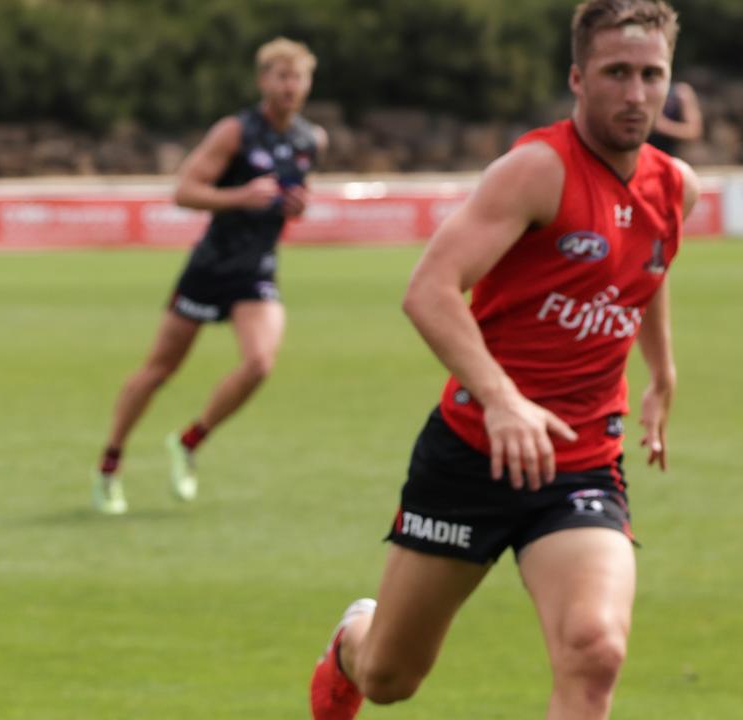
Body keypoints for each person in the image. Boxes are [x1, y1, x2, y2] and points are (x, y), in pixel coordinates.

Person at [308, 2, 698, 718]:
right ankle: (348, 643)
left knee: (596, 649)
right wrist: (502, 398)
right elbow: (428, 291)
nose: (637, 94)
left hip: (581, 462)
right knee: (390, 677)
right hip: (473, 452)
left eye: (652, 75)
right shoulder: (535, 171)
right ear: (578, 79)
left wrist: (663, 373)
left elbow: (647, 268)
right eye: (617, 73)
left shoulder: (675, 186)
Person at [92, 37, 327, 514]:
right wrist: (242, 196)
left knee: (260, 363)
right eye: (281, 76)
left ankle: (190, 440)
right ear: (264, 81)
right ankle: (110, 466)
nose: (290, 86)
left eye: (298, 77)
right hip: (211, 267)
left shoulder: (310, 140)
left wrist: (295, 207)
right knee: (160, 370)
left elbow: (287, 200)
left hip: (257, 269)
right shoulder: (236, 131)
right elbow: (184, 191)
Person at [648, 78, 703, 154]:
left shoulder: (680, 92)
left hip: (669, 155)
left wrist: (662, 125)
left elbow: (693, 131)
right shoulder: (637, 92)